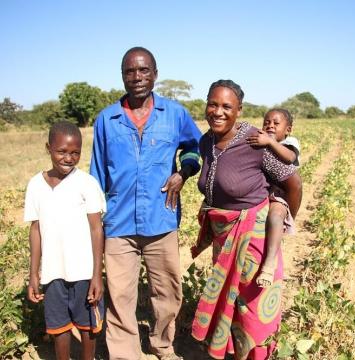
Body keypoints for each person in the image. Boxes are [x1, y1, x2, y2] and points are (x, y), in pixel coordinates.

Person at [90, 47, 202, 360]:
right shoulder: (106, 120)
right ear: (122, 76)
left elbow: (194, 150)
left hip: (161, 218)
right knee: (121, 295)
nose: (137, 77)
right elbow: (97, 174)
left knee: (167, 292)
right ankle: (125, 354)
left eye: (144, 70)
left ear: (155, 74)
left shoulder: (175, 114)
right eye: (130, 71)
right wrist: (95, 222)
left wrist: (183, 173)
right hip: (118, 223)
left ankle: (162, 346)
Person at [190, 80, 302, 360]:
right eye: (212, 104)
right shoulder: (207, 142)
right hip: (223, 235)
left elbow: (294, 184)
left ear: (239, 110)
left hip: (253, 236)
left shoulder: (257, 142)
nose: (218, 112)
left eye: (227, 106)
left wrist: (284, 215)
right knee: (231, 300)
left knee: (251, 305)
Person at [25, 121, 105, 360]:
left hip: (83, 271)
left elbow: (96, 229)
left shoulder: (87, 184)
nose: (68, 158)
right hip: (53, 273)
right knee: (58, 326)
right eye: (62, 151)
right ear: (48, 148)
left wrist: (97, 275)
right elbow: (36, 229)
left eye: (75, 153)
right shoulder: (35, 185)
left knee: (87, 324)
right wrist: (34, 273)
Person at [245, 108, 300, 287]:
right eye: (267, 122)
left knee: (275, 217)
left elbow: (290, 158)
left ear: (288, 129)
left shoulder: (290, 142)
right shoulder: (263, 140)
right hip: (263, 191)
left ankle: (269, 264)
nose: (270, 126)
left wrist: (269, 142)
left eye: (276, 124)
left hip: (280, 195)